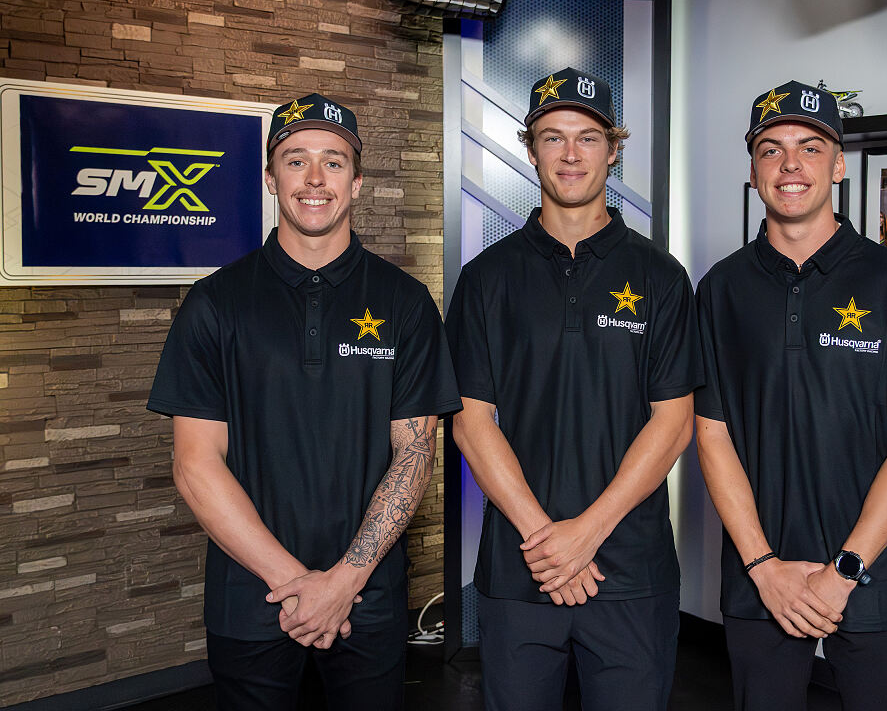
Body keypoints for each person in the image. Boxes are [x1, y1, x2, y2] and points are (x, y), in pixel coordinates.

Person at [148, 93, 461, 710]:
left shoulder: (405, 304)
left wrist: (343, 582)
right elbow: (195, 464)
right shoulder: (215, 304)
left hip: (367, 599)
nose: (315, 179)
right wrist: (296, 586)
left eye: (334, 161)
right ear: (270, 177)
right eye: (295, 160)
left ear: (358, 180)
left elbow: (414, 454)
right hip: (253, 598)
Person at [695, 78, 887, 711]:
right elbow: (711, 435)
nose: (791, 164)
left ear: (839, 164)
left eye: (811, 147)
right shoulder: (721, 290)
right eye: (772, 148)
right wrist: (763, 566)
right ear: (754, 170)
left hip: (870, 575)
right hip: (760, 574)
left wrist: (843, 572)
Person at [445, 67, 702, 711]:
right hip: (518, 568)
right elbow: (471, 422)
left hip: (630, 570)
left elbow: (673, 422)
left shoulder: (660, 279)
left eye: (587, 137)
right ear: (529, 149)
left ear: (614, 150)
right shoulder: (485, 279)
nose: (570, 154)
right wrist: (547, 539)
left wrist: (586, 532)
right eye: (553, 137)